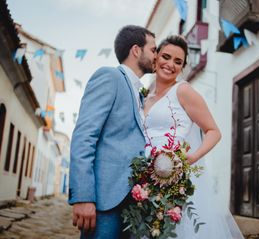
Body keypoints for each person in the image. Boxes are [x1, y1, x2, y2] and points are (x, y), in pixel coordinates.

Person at [143, 35, 244, 238]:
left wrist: (193, 157)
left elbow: (214, 131)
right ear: (155, 58)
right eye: (166, 56)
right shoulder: (145, 96)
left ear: (182, 67)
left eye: (178, 61)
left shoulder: (183, 91)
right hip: (145, 180)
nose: (170, 64)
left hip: (174, 179)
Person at [68, 25, 157, 239]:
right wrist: (83, 196)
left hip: (136, 204)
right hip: (105, 201)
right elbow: (84, 136)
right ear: (136, 50)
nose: (157, 56)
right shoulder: (109, 77)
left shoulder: (141, 95)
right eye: (153, 49)